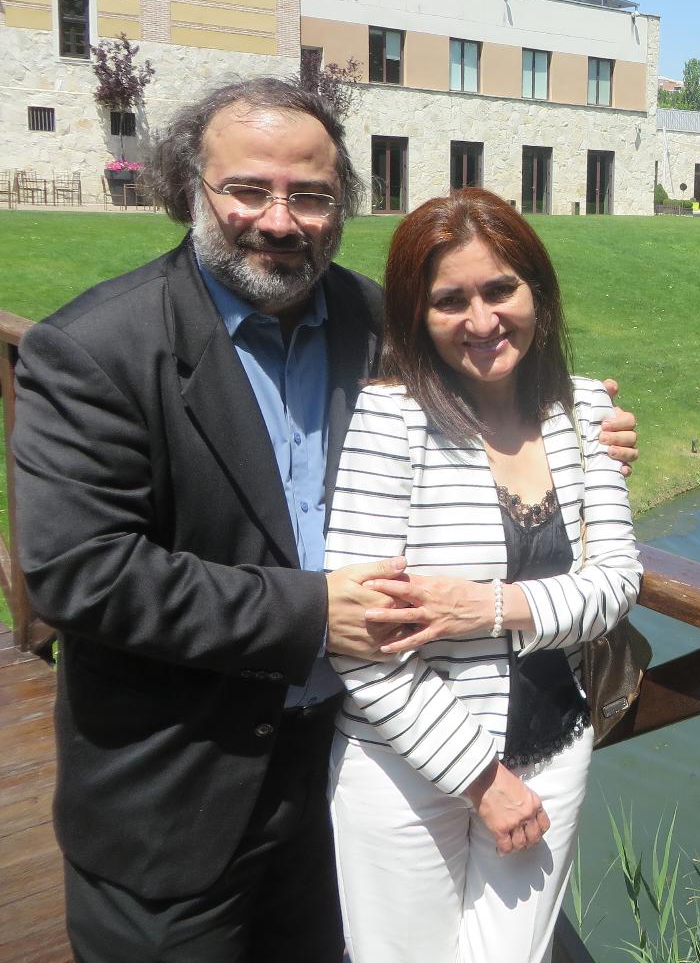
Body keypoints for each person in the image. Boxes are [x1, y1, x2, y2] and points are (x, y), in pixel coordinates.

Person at [11, 78, 638, 963]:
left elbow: (498, 379)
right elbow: (80, 572)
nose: (280, 219)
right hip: (183, 794)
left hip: (353, 764)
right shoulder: (96, 349)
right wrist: (309, 612)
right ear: (192, 188)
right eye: (248, 190)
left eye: (311, 195)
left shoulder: (375, 321)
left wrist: (585, 425)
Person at [323, 188, 639, 963]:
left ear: (538, 290)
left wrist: (489, 607)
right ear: (416, 316)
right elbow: (364, 642)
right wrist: (479, 778)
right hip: (407, 771)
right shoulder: (388, 420)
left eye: (501, 289)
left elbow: (618, 583)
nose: (483, 320)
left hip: (553, 751)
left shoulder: (584, 412)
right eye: (449, 300)